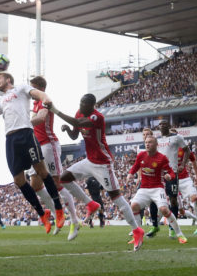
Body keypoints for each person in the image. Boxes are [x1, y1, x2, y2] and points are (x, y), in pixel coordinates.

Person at [0, 72, 64, 233]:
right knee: (19, 180)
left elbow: (37, 93)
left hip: (26, 134)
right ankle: (42, 214)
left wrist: (45, 97)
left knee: (42, 171)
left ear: (8, 79)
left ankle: (59, 210)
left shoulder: (20, 88)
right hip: (11, 139)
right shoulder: (0, 99)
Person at [51, 94, 144, 250]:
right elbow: (75, 133)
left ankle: (137, 230)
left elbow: (78, 122)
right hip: (89, 160)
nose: (80, 106)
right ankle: (91, 204)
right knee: (64, 178)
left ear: (92, 105)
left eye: (84, 104)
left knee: (116, 198)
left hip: (103, 163)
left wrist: (54, 110)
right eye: (80, 102)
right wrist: (68, 130)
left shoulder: (97, 117)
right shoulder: (79, 113)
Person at [28, 76, 91, 240]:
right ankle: (58, 215)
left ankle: (74, 221)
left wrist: (23, 122)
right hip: (36, 146)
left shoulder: (44, 101)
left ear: (40, 88)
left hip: (48, 145)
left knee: (58, 182)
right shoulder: (34, 103)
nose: (31, 91)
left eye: (33, 88)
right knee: (35, 185)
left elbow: (39, 119)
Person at [128, 136, 187, 245]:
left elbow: (172, 172)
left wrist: (170, 176)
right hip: (144, 188)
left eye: (150, 142)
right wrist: (130, 174)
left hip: (157, 188)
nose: (147, 144)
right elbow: (135, 166)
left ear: (156, 145)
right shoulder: (141, 155)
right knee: (134, 206)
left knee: (164, 209)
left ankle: (179, 234)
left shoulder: (162, 158)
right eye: (146, 142)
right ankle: (138, 234)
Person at [156, 121, 188, 238]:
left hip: (172, 173)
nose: (162, 125)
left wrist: (183, 164)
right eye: (160, 124)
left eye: (165, 124)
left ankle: (172, 228)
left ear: (169, 126)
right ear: (158, 127)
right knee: (155, 199)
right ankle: (154, 224)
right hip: (158, 174)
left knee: (173, 200)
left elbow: (187, 150)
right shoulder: (157, 140)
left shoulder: (177, 137)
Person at [175, 146, 197, 237]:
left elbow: (193, 160)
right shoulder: (165, 149)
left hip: (185, 179)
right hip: (172, 180)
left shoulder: (184, 149)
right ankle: (168, 229)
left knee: (195, 198)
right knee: (179, 210)